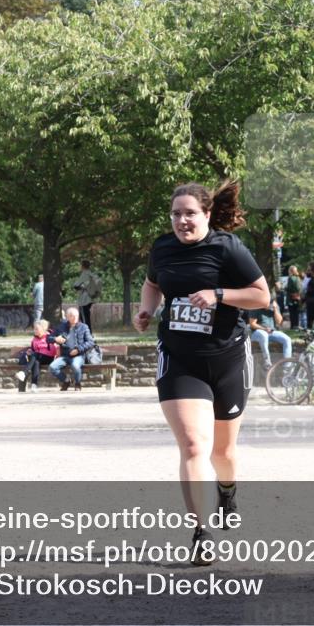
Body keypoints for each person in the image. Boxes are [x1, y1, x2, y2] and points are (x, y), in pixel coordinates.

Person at [133, 179, 269, 565]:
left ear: (206, 214)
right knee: (194, 445)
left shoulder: (227, 248)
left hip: (227, 357)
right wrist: (146, 310)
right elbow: (151, 283)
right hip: (181, 358)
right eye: (176, 214)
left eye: (190, 213)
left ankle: (227, 489)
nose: (182, 221)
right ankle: (200, 532)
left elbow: (262, 296)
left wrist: (219, 295)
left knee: (223, 452)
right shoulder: (162, 248)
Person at [50, 306, 95, 391]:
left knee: (75, 365)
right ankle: (66, 381)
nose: (74, 318)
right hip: (65, 356)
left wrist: (78, 349)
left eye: (76, 316)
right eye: (72, 315)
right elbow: (48, 338)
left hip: (78, 355)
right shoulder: (61, 327)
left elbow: (90, 342)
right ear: (67, 317)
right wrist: (55, 339)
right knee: (52, 367)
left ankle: (77, 383)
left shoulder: (84, 327)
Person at [15, 319, 58, 393]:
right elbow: (34, 349)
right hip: (38, 358)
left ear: (43, 329)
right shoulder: (34, 339)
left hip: (49, 358)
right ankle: (34, 385)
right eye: (34, 329)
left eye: (36, 329)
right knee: (36, 363)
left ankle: (24, 373)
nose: (35, 330)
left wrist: (36, 352)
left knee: (35, 355)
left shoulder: (49, 337)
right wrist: (29, 351)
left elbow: (53, 351)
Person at [247, 299, 291, 370]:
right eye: (268, 304)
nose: (269, 306)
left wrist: (275, 309)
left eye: (271, 304)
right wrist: (264, 329)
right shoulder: (256, 306)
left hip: (271, 332)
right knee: (264, 335)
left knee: (287, 339)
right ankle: (267, 363)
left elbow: (280, 322)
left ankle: (287, 367)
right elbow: (252, 324)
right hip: (257, 332)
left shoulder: (274, 307)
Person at [73, 260, 101, 335]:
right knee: (87, 318)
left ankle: (88, 335)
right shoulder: (92, 274)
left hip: (83, 300)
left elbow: (76, 285)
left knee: (84, 319)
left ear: (82, 266)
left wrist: (80, 287)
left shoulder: (84, 274)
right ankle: (89, 334)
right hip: (90, 299)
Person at [285, 265, 302, 329]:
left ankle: (293, 326)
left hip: (291, 298)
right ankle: (296, 325)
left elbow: (289, 288)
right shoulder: (298, 278)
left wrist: (285, 288)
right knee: (296, 312)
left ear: (290, 271)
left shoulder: (291, 278)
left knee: (292, 312)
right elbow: (299, 288)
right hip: (297, 297)